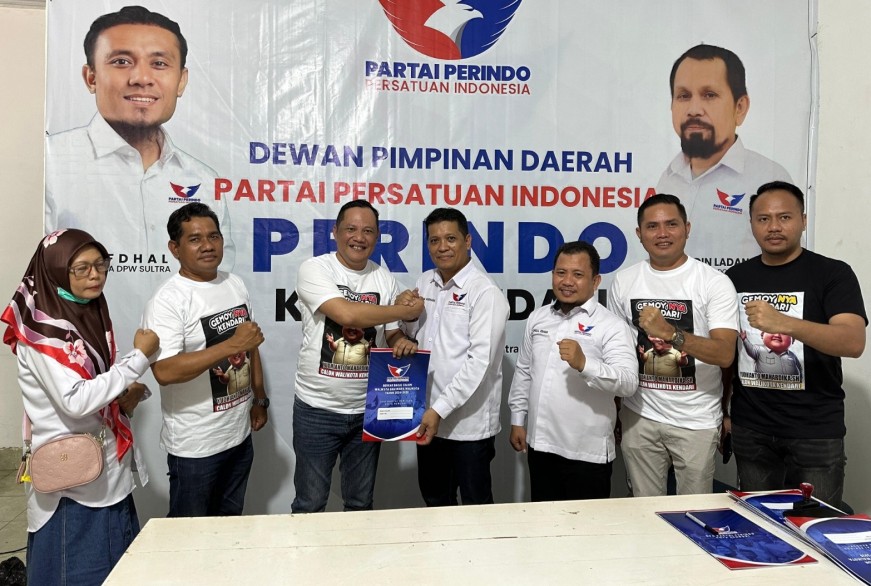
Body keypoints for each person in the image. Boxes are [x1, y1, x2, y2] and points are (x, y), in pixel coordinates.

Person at [45, 5, 233, 351]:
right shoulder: (52, 162)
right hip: (88, 361)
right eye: (121, 61)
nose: (141, 78)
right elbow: (42, 281)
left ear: (181, 80)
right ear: (90, 77)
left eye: (159, 63)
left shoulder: (204, 179)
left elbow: (217, 282)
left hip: (185, 365)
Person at [1, 229, 159, 585]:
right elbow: (76, 400)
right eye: (81, 268)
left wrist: (126, 394)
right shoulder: (42, 334)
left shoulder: (87, 313)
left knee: (115, 571)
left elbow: (95, 384)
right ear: (56, 271)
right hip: (72, 487)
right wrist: (139, 359)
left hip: (104, 473)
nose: (95, 275)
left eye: (100, 264)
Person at [725, 181, 867, 507]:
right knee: (758, 524)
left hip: (815, 431)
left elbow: (852, 341)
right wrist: (724, 411)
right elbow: (730, 351)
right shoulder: (735, 278)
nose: (774, 227)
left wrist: (784, 323)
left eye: (784, 217)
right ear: (752, 224)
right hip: (752, 429)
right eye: (763, 219)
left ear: (803, 220)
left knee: (815, 526)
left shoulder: (832, 273)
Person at [292, 200, 423, 513]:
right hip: (317, 409)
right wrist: (402, 310)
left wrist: (403, 341)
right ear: (335, 232)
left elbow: (391, 332)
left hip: (367, 408)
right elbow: (346, 314)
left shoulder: (384, 278)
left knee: (360, 503)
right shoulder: (315, 268)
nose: (359, 237)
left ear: (377, 237)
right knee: (310, 503)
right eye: (351, 229)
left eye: (368, 231)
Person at [141, 203, 267, 517]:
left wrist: (259, 399)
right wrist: (230, 345)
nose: (208, 245)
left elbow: (251, 348)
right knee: (188, 535)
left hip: (238, 436)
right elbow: (164, 371)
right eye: (195, 239)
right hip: (195, 446)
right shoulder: (168, 300)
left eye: (214, 236)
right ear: (175, 248)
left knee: (228, 528)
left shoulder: (234, 283)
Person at [609, 193, 739, 496]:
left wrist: (672, 334)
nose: (662, 233)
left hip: (696, 420)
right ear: (639, 233)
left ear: (687, 228)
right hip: (639, 416)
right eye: (652, 226)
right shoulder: (624, 281)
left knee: (693, 512)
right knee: (644, 510)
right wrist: (615, 410)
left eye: (671, 224)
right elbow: (618, 353)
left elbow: (724, 354)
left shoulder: (713, 282)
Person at [393, 208, 508, 506]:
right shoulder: (424, 282)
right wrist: (403, 320)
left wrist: (439, 410)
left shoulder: (485, 292)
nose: (442, 247)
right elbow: (411, 334)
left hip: (468, 426)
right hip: (427, 415)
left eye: (451, 239)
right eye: (434, 240)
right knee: (434, 500)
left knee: (475, 507)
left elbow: (479, 363)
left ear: (467, 241)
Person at [508, 241, 637, 501]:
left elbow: (628, 382)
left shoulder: (611, 326)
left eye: (578, 274)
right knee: (543, 520)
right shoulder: (538, 317)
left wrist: (585, 364)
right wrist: (517, 419)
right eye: (561, 272)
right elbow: (524, 371)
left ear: (595, 280)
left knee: (586, 525)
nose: (567, 281)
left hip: (586, 452)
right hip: (540, 445)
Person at [657, 44, 792, 270]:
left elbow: (790, 262)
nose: (694, 109)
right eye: (683, 96)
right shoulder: (668, 178)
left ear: (740, 107)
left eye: (709, 95)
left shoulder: (768, 177)